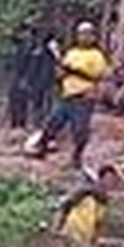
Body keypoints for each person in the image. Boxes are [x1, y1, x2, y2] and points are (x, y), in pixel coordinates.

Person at [35, 22, 111, 168]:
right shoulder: (72, 53)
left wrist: (74, 71)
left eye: (88, 34)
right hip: (67, 95)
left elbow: (96, 76)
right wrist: (61, 73)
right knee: (53, 122)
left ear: (93, 37)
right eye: (81, 34)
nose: (84, 37)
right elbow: (61, 72)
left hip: (84, 96)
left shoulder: (97, 56)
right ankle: (41, 148)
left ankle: (77, 156)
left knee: (80, 129)